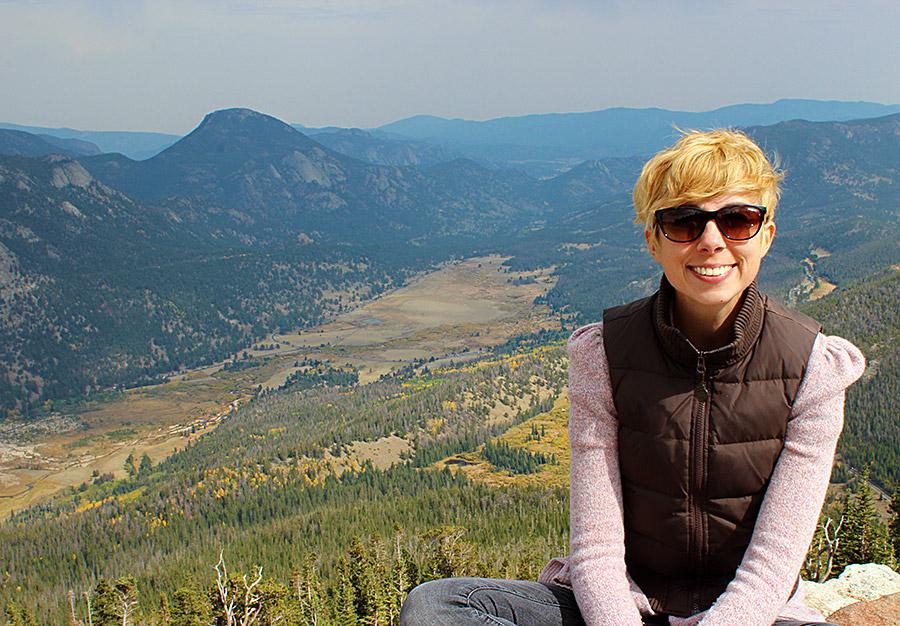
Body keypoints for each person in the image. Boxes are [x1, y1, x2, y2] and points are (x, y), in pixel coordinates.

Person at [398, 129, 866, 626]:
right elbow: (597, 551)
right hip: (624, 605)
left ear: (766, 236)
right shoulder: (604, 354)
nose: (712, 241)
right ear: (653, 242)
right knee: (438, 606)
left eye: (737, 220)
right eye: (684, 222)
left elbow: (771, 569)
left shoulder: (813, 367)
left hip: (753, 614)